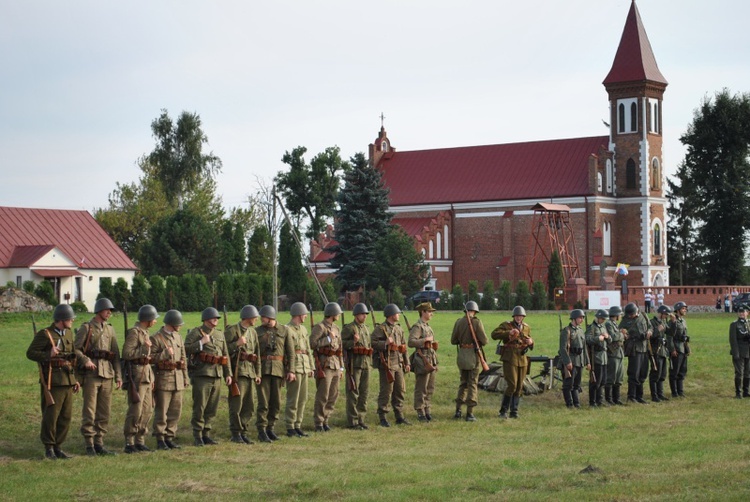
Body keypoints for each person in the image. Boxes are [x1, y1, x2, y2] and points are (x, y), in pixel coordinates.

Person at [27, 304, 81, 460]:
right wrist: (48, 354)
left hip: (68, 379)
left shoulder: (69, 333)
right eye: (70, 318)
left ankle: (58, 446)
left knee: (66, 416)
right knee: (51, 416)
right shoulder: (45, 334)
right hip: (53, 381)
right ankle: (49, 447)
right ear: (62, 319)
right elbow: (30, 353)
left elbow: (72, 357)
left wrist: (75, 379)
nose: (72, 321)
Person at [74, 297, 121, 456]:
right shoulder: (86, 328)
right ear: (99, 310)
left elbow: (115, 354)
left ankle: (100, 443)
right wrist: (85, 359)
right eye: (107, 310)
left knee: (104, 411)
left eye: (110, 311)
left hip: (107, 374)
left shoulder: (110, 329)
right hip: (91, 375)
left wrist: (119, 376)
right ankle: (89, 444)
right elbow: (75, 349)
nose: (109, 313)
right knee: (89, 411)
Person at [184, 307, 232, 446]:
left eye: (217, 318)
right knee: (200, 406)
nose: (215, 320)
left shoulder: (219, 334)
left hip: (217, 374)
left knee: (212, 406)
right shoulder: (196, 332)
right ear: (205, 319)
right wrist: (201, 343)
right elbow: (185, 349)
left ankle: (206, 433)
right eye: (213, 318)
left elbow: (225, 355)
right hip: (202, 374)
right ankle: (197, 435)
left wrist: (227, 373)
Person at [255, 305, 295, 443]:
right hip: (263, 370)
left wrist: (291, 370)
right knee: (263, 402)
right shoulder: (257, 331)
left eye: (263, 317)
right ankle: (261, 429)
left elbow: (290, 352)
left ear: (270, 317)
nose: (261, 319)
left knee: (276, 402)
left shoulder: (284, 330)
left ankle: (270, 428)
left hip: (278, 370)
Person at [150, 309, 188, 450]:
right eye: (178, 324)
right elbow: (151, 359)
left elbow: (183, 359)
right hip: (164, 379)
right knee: (162, 411)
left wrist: (185, 377)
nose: (180, 326)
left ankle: (170, 437)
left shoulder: (178, 337)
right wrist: (165, 353)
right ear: (171, 324)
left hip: (177, 379)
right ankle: (160, 438)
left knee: (175, 411)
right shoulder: (156, 338)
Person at [122, 304, 158, 453]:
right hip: (137, 376)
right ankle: (130, 442)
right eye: (154, 319)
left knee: (147, 410)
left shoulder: (145, 332)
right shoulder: (135, 333)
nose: (155, 321)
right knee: (136, 410)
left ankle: (140, 440)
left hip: (146, 375)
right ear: (147, 319)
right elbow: (127, 353)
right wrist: (144, 348)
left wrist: (152, 377)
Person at [225, 305, 262, 444]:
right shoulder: (232, 330)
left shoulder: (252, 333)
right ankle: (235, 432)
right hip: (238, 372)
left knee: (249, 405)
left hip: (250, 372)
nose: (257, 319)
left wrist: (258, 373)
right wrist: (237, 344)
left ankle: (243, 431)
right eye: (255, 317)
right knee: (236, 404)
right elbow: (224, 350)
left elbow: (256, 354)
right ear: (248, 317)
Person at [371, 303, 411, 427]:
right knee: (386, 391)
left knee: (399, 390)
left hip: (398, 363)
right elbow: (372, 343)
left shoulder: (399, 329)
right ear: (391, 315)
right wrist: (385, 343)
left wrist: (407, 362)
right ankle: (382, 416)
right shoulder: (380, 329)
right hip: (387, 364)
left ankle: (399, 416)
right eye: (397, 313)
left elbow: (403, 347)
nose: (398, 315)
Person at [492, 305, 533, 418]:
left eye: (521, 316)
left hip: (522, 359)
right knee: (512, 385)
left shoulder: (526, 327)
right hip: (510, 358)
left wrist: (531, 342)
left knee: (519, 386)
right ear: (514, 316)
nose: (519, 318)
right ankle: (503, 411)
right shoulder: (506, 325)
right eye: (517, 316)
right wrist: (509, 333)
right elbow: (494, 334)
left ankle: (514, 411)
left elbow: (529, 340)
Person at [451, 301, 488, 421]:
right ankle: (470, 413)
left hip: (462, 355)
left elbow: (453, 340)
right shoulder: (476, 322)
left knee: (463, 383)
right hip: (473, 356)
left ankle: (458, 410)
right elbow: (484, 340)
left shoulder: (458, 322)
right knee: (472, 383)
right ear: (475, 311)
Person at [310, 302, 344, 432]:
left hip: (335, 364)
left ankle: (326, 419)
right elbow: (312, 344)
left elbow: (339, 349)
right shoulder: (320, 327)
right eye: (338, 314)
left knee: (334, 394)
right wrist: (328, 340)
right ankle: (318, 422)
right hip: (324, 365)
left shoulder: (336, 328)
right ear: (332, 314)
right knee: (323, 395)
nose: (339, 316)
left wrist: (341, 367)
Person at [341, 303, 373, 429]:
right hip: (355, 364)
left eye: (365, 314)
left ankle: (361, 419)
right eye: (362, 314)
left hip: (366, 363)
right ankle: (352, 421)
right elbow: (341, 344)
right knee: (353, 392)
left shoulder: (366, 328)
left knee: (364, 393)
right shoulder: (349, 328)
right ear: (356, 315)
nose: (364, 316)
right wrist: (352, 342)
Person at [284, 302, 313, 437]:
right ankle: (290, 425)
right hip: (294, 367)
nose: (306, 316)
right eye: (304, 314)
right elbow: (288, 352)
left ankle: (298, 425)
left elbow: (308, 350)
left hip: (304, 366)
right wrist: (290, 370)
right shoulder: (287, 329)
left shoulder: (304, 329)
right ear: (299, 314)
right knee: (293, 398)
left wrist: (311, 367)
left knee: (303, 398)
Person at [408, 302, 439, 422]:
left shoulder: (427, 326)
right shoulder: (418, 327)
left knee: (430, 387)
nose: (431, 314)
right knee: (421, 387)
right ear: (423, 312)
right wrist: (425, 340)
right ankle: (420, 410)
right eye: (429, 311)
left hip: (430, 358)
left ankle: (427, 408)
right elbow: (411, 342)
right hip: (422, 359)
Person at [619, 302, 651, 404]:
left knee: (643, 372)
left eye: (631, 314)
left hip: (645, 347)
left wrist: (650, 332)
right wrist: (624, 333)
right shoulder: (625, 320)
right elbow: (620, 330)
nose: (630, 316)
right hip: (634, 348)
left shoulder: (644, 316)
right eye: (629, 315)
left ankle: (639, 395)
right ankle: (631, 396)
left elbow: (650, 327)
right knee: (634, 373)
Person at [558, 309, 588, 408]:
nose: (582, 320)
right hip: (571, 360)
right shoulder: (567, 330)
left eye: (582, 318)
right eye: (580, 318)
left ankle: (577, 403)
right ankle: (569, 403)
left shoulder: (580, 331)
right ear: (574, 318)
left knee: (576, 384)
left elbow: (584, 348)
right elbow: (563, 348)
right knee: (568, 384)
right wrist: (567, 362)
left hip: (579, 361)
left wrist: (587, 361)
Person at [585, 309, 610, 407]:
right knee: (595, 381)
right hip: (596, 357)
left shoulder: (603, 327)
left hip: (604, 357)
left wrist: (607, 337)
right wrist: (597, 339)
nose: (603, 320)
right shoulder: (592, 328)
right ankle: (593, 402)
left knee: (603, 380)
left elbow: (610, 340)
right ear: (598, 318)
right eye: (602, 318)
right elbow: (587, 339)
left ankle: (600, 400)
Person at [649, 305, 672, 402]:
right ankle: (654, 395)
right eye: (665, 314)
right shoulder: (652, 322)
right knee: (655, 374)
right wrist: (657, 330)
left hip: (663, 350)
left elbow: (671, 333)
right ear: (661, 313)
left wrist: (673, 322)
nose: (666, 316)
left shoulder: (664, 322)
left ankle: (660, 393)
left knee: (662, 374)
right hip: (656, 350)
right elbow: (650, 336)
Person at [667, 301, 689, 398]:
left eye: (685, 309)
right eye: (683, 308)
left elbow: (684, 335)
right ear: (678, 309)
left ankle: (680, 391)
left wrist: (687, 348)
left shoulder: (683, 321)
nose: (685, 310)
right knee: (674, 371)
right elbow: (669, 336)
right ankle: (674, 392)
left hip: (683, 348)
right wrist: (672, 349)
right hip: (676, 348)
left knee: (682, 370)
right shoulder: (672, 321)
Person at [604, 306, 626, 405]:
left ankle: (616, 398)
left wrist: (621, 335)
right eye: (619, 314)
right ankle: (609, 398)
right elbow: (613, 337)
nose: (620, 316)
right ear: (616, 315)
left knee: (618, 377)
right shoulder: (608, 324)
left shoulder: (614, 324)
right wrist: (621, 334)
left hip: (619, 353)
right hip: (612, 354)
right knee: (611, 377)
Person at [729, 305, 750, 398]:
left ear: (747, 313)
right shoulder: (734, 324)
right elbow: (733, 340)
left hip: (748, 351)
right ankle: (738, 392)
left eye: (743, 311)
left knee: (748, 372)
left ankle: (746, 391)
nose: (742, 313)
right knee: (739, 373)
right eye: (740, 312)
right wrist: (735, 353)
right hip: (740, 351)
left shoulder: (749, 323)